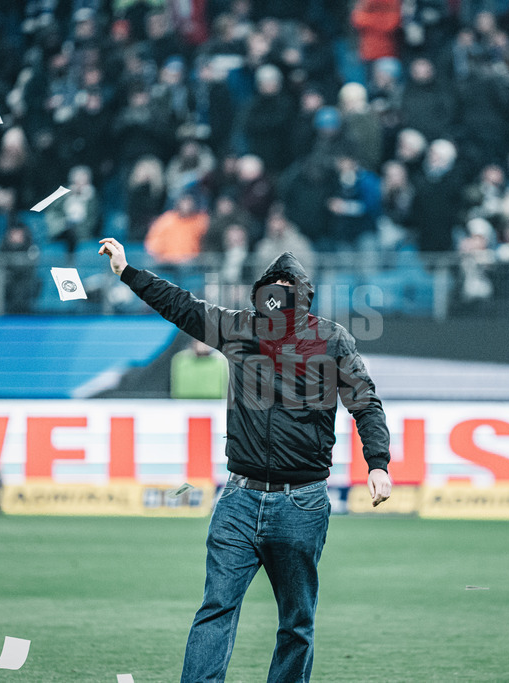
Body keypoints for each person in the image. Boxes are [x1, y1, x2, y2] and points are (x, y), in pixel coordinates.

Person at [97, 239, 393, 682]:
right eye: (271, 284)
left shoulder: (331, 340)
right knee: (216, 609)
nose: (277, 291)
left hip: (302, 502)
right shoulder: (240, 328)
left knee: (296, 623)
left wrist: (378, 463)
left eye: (286, 284)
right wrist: (126, 271)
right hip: (238, 498)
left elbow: (366, 404)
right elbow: (180, 305)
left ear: (303, 294)